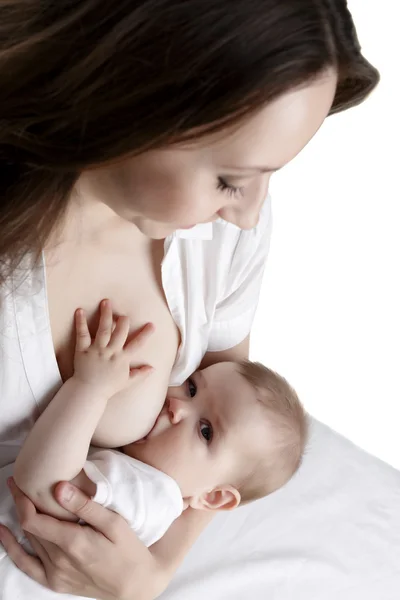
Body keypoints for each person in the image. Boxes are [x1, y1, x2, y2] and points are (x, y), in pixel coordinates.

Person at [0, 1, 379, 599]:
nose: (250, 213)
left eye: (268, 175)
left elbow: (231, 417)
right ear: (135, 107)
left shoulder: (220, 233)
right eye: (231, 180)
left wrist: (153, 574)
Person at [0, 300, 307, 598]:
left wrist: (90, 388)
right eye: (191, 388)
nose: (177, 407)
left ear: (213, 496)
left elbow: (43, 487)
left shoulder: (148, 495)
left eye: (205, 431)